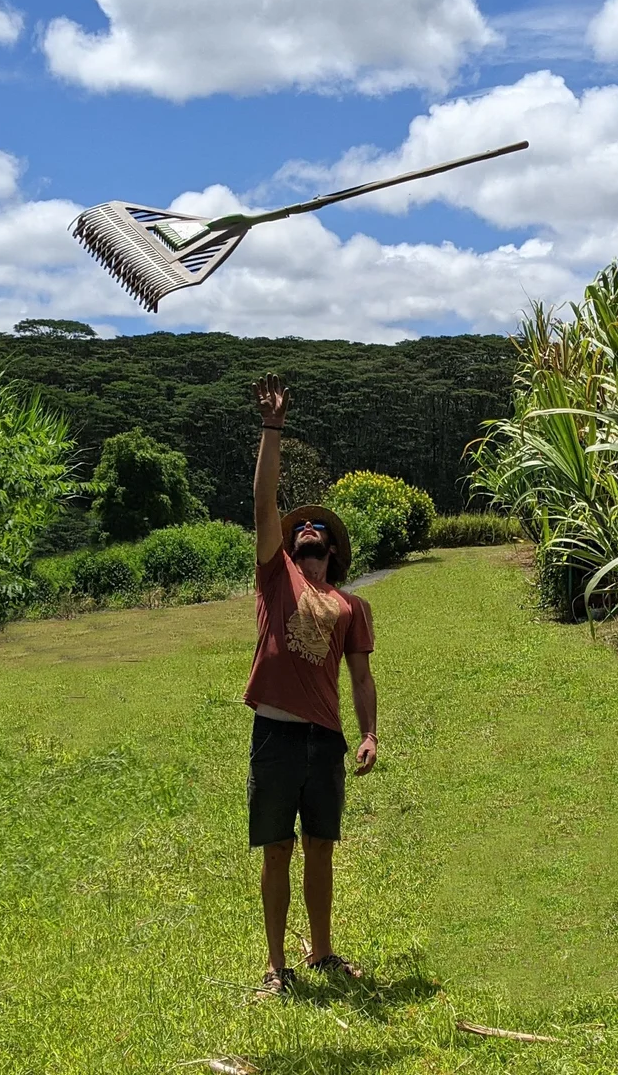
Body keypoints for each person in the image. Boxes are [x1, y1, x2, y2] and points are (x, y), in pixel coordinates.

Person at [244, 373, 378, 997]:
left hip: (324, 741)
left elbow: (361, 675)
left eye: (318, 536)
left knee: (321, 847)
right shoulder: (276, 577)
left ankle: (321, 953)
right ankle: (278, 966)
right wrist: (272, 428)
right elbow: (264, 505)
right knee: (277, 849)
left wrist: (370, 733)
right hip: (275, 735)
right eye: (301, 534)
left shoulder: (352, 606)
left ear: (332, 553)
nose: (308, 537)